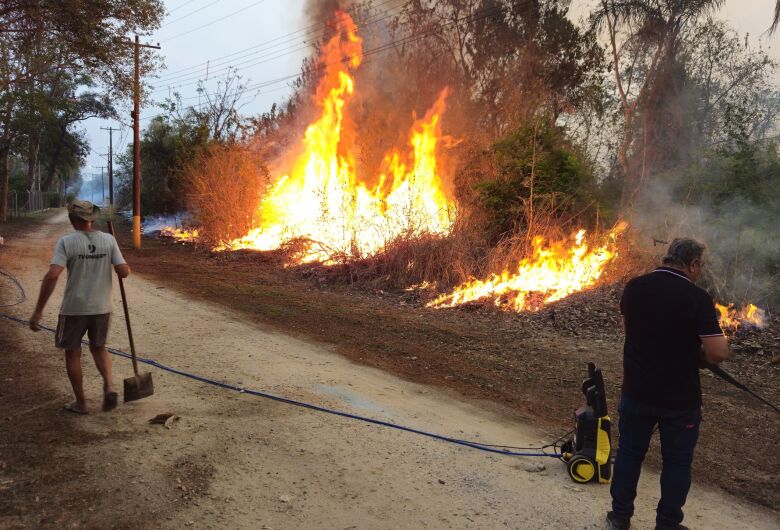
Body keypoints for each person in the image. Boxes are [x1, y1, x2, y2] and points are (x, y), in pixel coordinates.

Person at [607, 238, 729, 530]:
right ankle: (667, 524)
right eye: (700, 266)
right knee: (676, 464)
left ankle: (620, 516)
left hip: (636, 390)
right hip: (679, 400)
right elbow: (717, 353)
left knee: (629, 453)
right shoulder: (697, 298)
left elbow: (629, 330)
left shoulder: (635, 287)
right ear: (693, 264)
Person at [29, 200, 130, 414]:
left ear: (72, 219)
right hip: (102, 307)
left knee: (72, 352)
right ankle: (110, 386)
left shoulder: (67, 242)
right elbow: (124, 271)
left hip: (74, 309)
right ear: (92, 219)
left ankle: (81, 403)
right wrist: (120, 266)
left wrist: (38, 311)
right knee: (99, 347)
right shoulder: (108, 240)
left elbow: (53, 275)